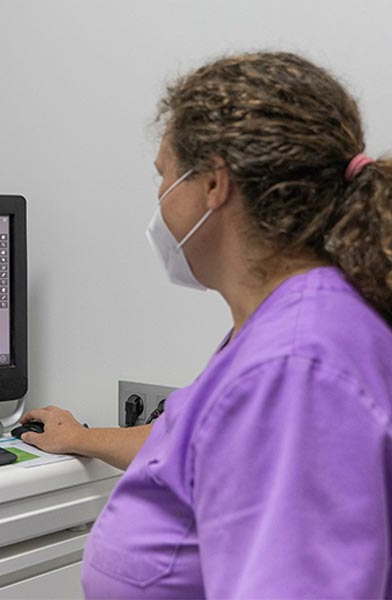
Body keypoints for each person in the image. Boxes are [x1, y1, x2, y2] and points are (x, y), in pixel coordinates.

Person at [19, 52, 392, 598]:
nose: (160, 202)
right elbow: (200, 445)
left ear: (214, 183)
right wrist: (84, 438)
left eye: (164, 177)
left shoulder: (296, 367)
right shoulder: (289, 323)